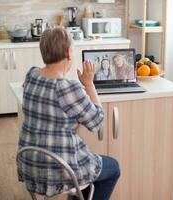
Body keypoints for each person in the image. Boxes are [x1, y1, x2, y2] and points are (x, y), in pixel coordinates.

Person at [17, 27, 120, 200]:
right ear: (69, 52)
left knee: (90, 171)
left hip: (29, 165)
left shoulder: (31, 75)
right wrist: (89, 84)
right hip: (60, 171)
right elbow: (96, 122)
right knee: (113, 168)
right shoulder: (67, 88)